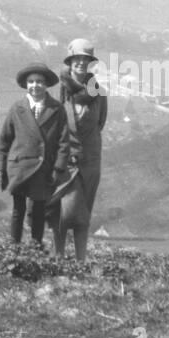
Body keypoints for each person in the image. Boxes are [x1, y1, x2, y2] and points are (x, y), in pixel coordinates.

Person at [0, 63, 68, 249]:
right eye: (31, 81)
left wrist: (58, 167)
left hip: (43, 167)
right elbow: (4, 140)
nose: (35, 85)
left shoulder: (57, 109)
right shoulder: (17, 108)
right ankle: (14, 246)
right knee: (18, 209)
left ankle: (35, 246)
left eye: (40, 82)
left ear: (47, 85)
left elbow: (63, 141)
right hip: (19, 166)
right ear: (26, 84)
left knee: (39, 210)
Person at [50, 38, 108, 261]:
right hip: (65, 159)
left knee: (84, 214)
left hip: (90, 161)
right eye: (78, 59)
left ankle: (80, 260)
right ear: (70, 61)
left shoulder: (99, 93)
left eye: (86, 60)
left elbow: (99, 124)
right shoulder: (59, 91)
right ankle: (59, 257)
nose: (81, 64)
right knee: (64, 211)